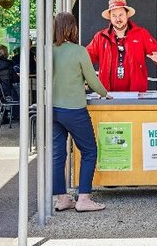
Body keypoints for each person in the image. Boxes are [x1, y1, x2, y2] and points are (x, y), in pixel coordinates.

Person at [52, 11, 110, 213]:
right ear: (72, 28)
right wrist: (105, 93)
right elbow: (93, 81)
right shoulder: (79, 51)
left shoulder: (46, 50)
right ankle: (83, 198)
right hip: (74, 110)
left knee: (57, 154)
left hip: (52, 110)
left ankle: (62, 199)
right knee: (89, 151)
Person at [86, 0, 157, 92]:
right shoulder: (100, 37)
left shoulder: (141, 34)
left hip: (136, 95)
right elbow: (86, 57)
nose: (118, 19)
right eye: (114, 16)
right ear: (110, 17)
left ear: (127, 15)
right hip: (107, 95)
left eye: (121, 15)